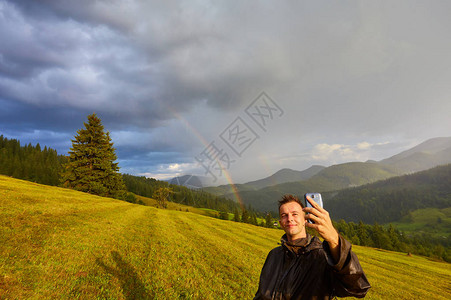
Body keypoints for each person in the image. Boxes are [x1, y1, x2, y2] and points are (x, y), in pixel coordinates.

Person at [254, 194, 371, 300]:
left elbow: (358, 288)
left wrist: (334, 240)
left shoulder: (321, 256)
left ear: (305, 219)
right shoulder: (274, 255)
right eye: (284, 215)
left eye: (295, 214)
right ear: (280, 223)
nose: (289, 218)